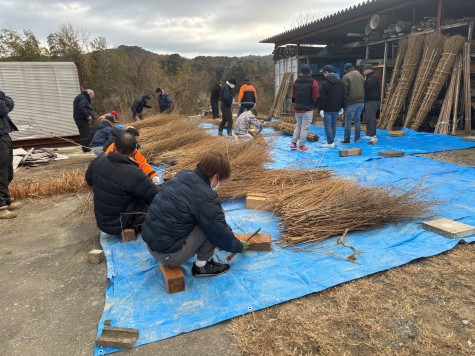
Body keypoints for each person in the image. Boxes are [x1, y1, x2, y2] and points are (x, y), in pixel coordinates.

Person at [142, 152, 248, 277]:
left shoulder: (183, 175)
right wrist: (238, 246)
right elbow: (217, 230)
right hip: (168, 255)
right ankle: (201, 267)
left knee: (209, 216)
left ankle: (191, 251)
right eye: (220, 180)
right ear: (215, 176)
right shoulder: (206, 197)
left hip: (153, 245)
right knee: (209, 226)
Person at [85, 131, 160, 235]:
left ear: (114, 146)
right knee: (159, 208)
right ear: (134, 151)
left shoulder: (99, 160)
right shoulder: (133, 173)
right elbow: (155, 196)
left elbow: (89, 180)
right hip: (119, 223)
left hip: (102, 220)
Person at [290, 65, 319, 151]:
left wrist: (295, 105)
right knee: (305, 128)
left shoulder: (296, 82)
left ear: (301, 72)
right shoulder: (314, 82)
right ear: (310, 72)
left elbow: (293, 96)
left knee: (298, 125)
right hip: (307, 109)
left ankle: (293, 143)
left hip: (297, 108)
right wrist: (314, 104)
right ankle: (301, 145)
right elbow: (314, 97)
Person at [0, 90, 19, 219]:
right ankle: (1, 207)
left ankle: (6, 200)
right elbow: (2, 110)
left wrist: (4, 101)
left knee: (7, 171)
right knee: (0, 171)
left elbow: (9, 102)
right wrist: (4, 103)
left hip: (4, 134)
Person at [319, 65, 345, 148]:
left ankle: (330, 142)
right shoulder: (340, 82)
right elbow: (343, 95)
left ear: (327, 72)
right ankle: (331, 141)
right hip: (336, 108)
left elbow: (322, 97)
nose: (323, 74)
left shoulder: (325, 83)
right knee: (333, 125)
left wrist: (321, 108)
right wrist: (342, 106)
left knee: (327, 126)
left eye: (323, 72)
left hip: (327, 108)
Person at [341, 63, 365, 143]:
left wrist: (343, 104)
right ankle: (357, 138)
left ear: (345, 70)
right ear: (353, 67)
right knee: (357, 121)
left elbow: (345, 91)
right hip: (361, 101)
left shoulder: (346, 76)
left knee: (348, 121)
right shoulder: (360, 75)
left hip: (351, 102)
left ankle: (347, 139)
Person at [363, 64, 381, 138]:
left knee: (370, 117)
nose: (364, 71)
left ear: (369, 70)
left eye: (365, 70)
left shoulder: (373, 77)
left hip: (372, 100)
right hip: (371, 100)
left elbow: (367, 86)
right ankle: (371, 133)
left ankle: (370, 134)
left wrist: (363, 81)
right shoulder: (371, 77)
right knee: (370, 116)